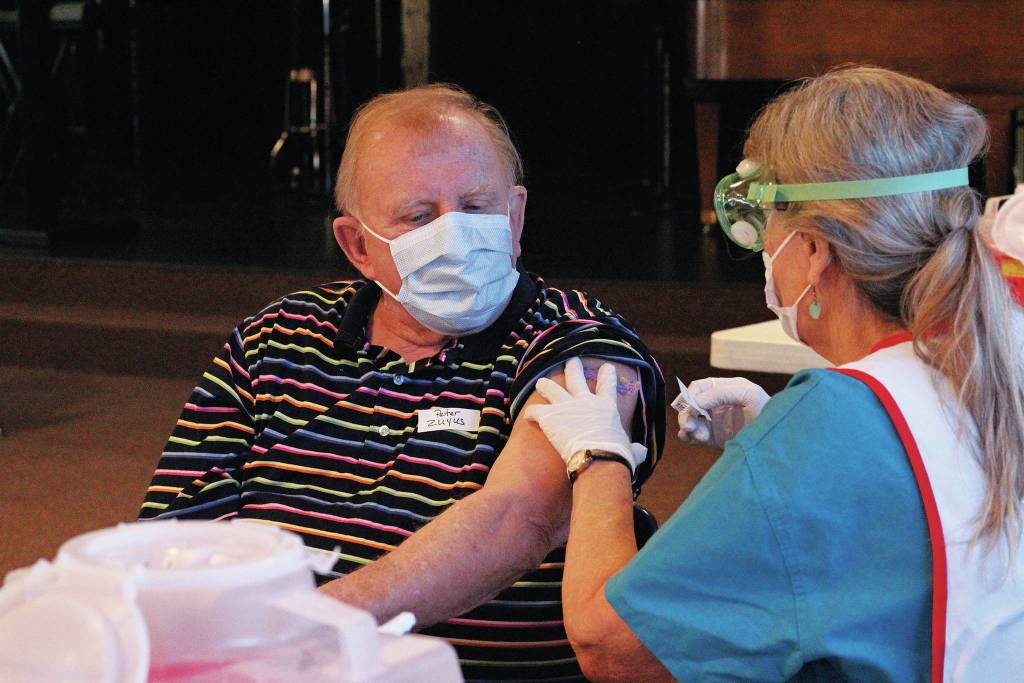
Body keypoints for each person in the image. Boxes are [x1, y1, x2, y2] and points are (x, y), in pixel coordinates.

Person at [137, 84, 666, 681]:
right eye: (419, 217)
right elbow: (177, 535)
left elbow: (520, 519)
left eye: (476, 206)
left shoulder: (580, 346)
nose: (455, 234)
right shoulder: (272, 340)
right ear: (358, 245)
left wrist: (303, 633)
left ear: (516, 217)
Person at [525, 66, 1024, 682]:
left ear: (815, 251)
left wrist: (598, 458)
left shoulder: (834, 422)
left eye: (769, 222)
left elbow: (613, 647)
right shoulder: (997, 353)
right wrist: (781, 446)